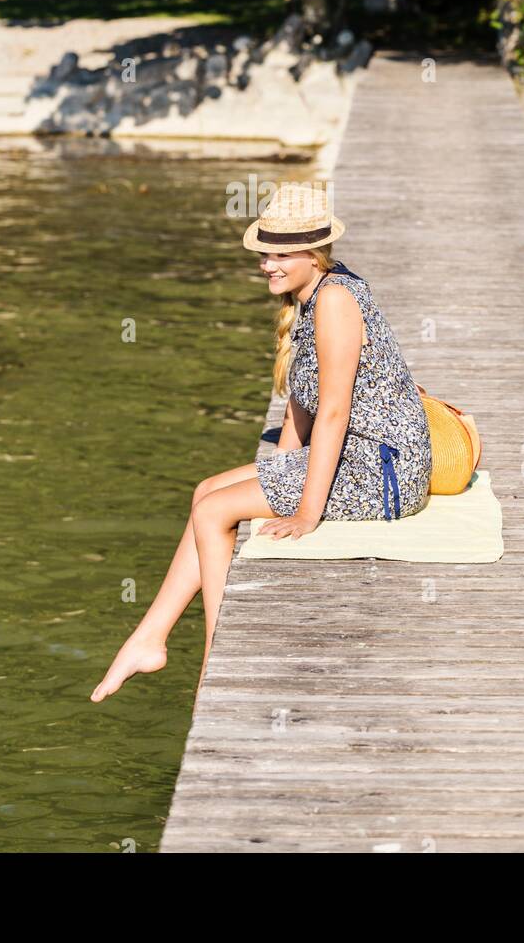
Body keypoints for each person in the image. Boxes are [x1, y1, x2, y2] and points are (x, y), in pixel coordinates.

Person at [89, 183, 431, 704]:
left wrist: (307, 512)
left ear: (313, 255)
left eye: (281, 254)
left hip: (383, 471)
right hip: (361, 457)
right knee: (208, 492)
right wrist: (274, 472)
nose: (268, 264)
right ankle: (151, 638)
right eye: (265, 252)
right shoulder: (314, 294)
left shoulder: (336, 300)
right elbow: (305, 401)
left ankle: (214, 663)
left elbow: (335, 411)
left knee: (214, 513)